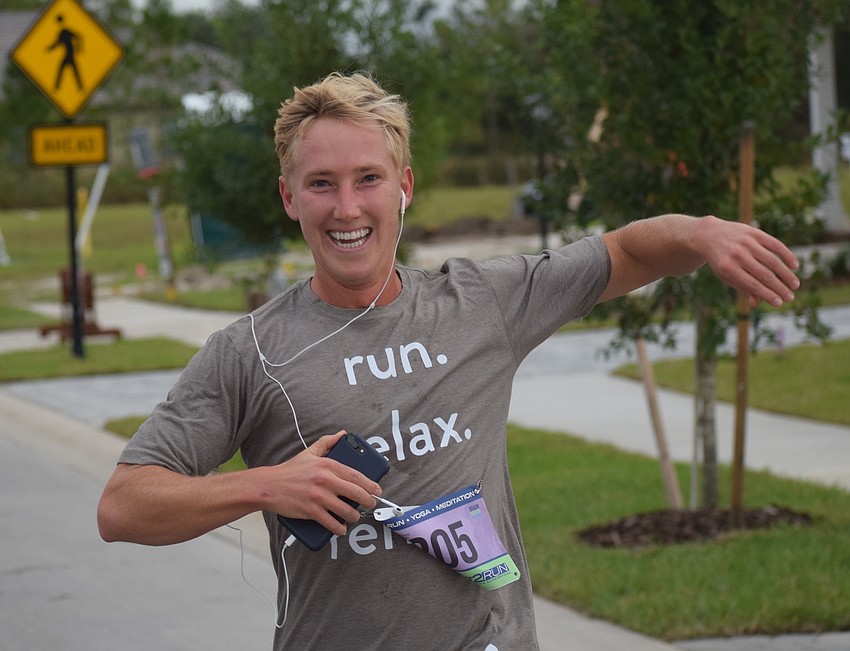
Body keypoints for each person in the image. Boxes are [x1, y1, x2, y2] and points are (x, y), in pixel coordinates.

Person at [97, 71, 800, 649]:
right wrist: (267, 486)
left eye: (368, 178)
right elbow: (123, 505)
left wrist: (706, 233)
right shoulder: (250, 350)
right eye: (321, 184)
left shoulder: (482, 304)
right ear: (289, 197)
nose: (348, 207)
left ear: (404, 186)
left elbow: (625, 252)